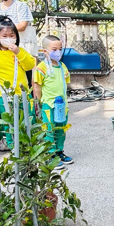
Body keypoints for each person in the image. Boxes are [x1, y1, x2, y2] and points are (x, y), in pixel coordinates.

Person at [0, 17, 37, 151]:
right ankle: (12, 147)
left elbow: (29, 65)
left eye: (12, 35)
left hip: (22, 92)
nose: (9, 38)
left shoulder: (19, 50)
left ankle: (26, 144)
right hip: (3, 94)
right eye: (4, 36)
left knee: (27, 118)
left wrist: (18, 52)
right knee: (8, 121)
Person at [33, 34, 73, 166]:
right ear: (45, 51)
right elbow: (37, 86)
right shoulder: (42, 68)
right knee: (49, 130)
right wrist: (39, 102)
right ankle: (50, 154)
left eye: (60, 49)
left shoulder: (62, 66)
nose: (58, 52)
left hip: (62, 106)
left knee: (61, 129)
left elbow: (65, 83)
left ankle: (59, 151)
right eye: (54, 50)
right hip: (49, 105)